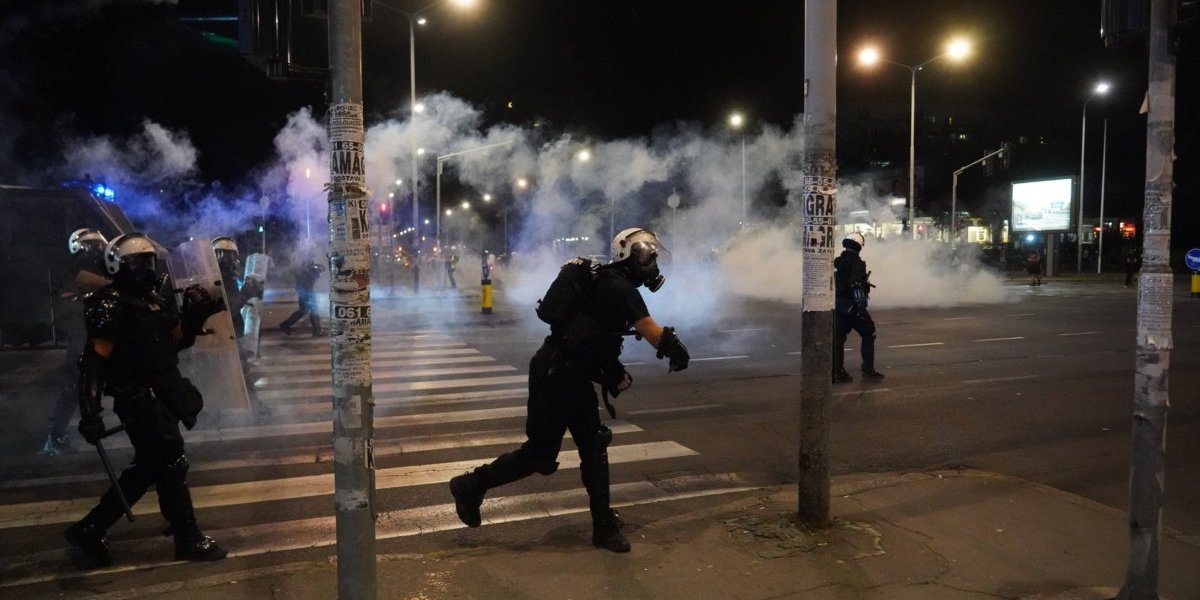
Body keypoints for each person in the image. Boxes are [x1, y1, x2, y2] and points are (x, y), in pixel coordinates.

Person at [448, 228, 690, 553]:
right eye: (646, 255)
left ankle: (603, 527)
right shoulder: (618, 286)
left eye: (653, 256)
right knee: (540, 454)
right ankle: (470, 485)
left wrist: (613, 372)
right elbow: (650, 330)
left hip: (572, 372)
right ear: (627, 256)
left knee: (593, 444)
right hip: (556, 373)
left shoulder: (611, 282)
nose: (651, 263)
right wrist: (675, 350)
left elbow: (594, 336)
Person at [64, 232, 228, 567]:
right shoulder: (110, 303)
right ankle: (187, 538)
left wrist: (195, 315)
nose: (146, 269)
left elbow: (173, 342)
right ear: (116, 266)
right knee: (171, 460)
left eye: (148, 261)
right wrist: (90, 412)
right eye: (137, 262)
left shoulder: (153, 299)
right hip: (137, 397)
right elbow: (94, 361)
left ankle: (89, 529)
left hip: (162, 391)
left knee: (149, 468)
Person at [39, 228, 110, 456]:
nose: (96, 249)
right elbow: (67, 305)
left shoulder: (104, 269)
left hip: (103, 335)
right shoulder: (71, 272)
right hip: (82, 336)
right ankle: (56, 436)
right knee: (75, 386)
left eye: (98, 245)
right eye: (90, 245)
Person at [833, 232, 884, 383]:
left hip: (837, 305)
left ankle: (837, 371)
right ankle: (868, 369)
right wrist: (861, 309)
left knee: (838, 338)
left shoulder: (837, 261)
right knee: (869, 332)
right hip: (851, 306)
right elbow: (855, 285)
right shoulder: (856, 262)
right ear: (859, 246)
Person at [279, 255, 323, 337]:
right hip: (306, 293)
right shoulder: (304, 271)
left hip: (306, 292)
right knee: (313, 310)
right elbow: (299, 283)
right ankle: (317, 331)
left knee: (304, 311)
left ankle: (285, 325)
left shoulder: (309, 270)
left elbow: (320, 270)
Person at [211, 236, 245, 337]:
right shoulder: (217, 279)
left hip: (233, 329)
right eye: (222, 254)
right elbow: (230, 307)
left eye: (231, 255)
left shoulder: (230, 277)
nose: (227, 259)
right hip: (224, 331)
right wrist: (246, 294)